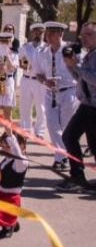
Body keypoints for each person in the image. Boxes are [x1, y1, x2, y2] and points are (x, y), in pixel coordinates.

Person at [34, 21, 78, 174]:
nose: (49, 37)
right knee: (52, 126)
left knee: (66, 126)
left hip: (69, 91)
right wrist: (45, 81)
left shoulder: (70, 50)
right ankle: (61, 157)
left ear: (61, 34)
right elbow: (38, 73)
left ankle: (62, 157)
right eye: (47, 34)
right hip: (50, 92)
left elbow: (80, 70)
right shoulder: (42, 53)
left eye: (52, 33)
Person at [59, 21, 96, 191]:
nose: (84, 38)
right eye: (82, 35)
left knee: (94, 145)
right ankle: (77, 176)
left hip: (94, 107)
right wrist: (69, 64)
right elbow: (79, 78)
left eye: (89, 34)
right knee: (69, 136)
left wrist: (78, 67)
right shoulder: (89, 55)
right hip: (86, 106)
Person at [18, 23, 48, 140]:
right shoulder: (25, 47)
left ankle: (40, 131)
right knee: (25, 106)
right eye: (36, 32)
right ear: (32, 32)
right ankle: (26, 130)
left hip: (40, 81)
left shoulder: (47, 48)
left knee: (41, 107)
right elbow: (22, 62)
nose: (38, 34)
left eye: (40, 32)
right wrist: (27, 67)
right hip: (27, 79)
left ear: (43, 33)